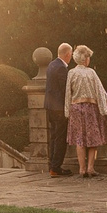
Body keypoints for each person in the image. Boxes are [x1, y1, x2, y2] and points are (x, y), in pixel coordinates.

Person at [65, 45, 107, 177]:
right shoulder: (91, 73)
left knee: (79, 140)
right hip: (90, 108)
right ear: (85, 59)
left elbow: (68, 94)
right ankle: (90, 168)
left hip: (75, 108)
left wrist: (67, 111)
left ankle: (82, 169)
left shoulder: (71, 73)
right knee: (93, 139)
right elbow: (100, 91)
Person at [43, 42, 72, 176]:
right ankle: (56, 167)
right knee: (60, 138)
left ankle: (52, 165)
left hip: (50, 106)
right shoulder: (61, 68)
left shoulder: (51, 65)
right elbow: (65, 89)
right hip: (59, 108)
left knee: (54, 137)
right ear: (67, 54)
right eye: (70, 54)